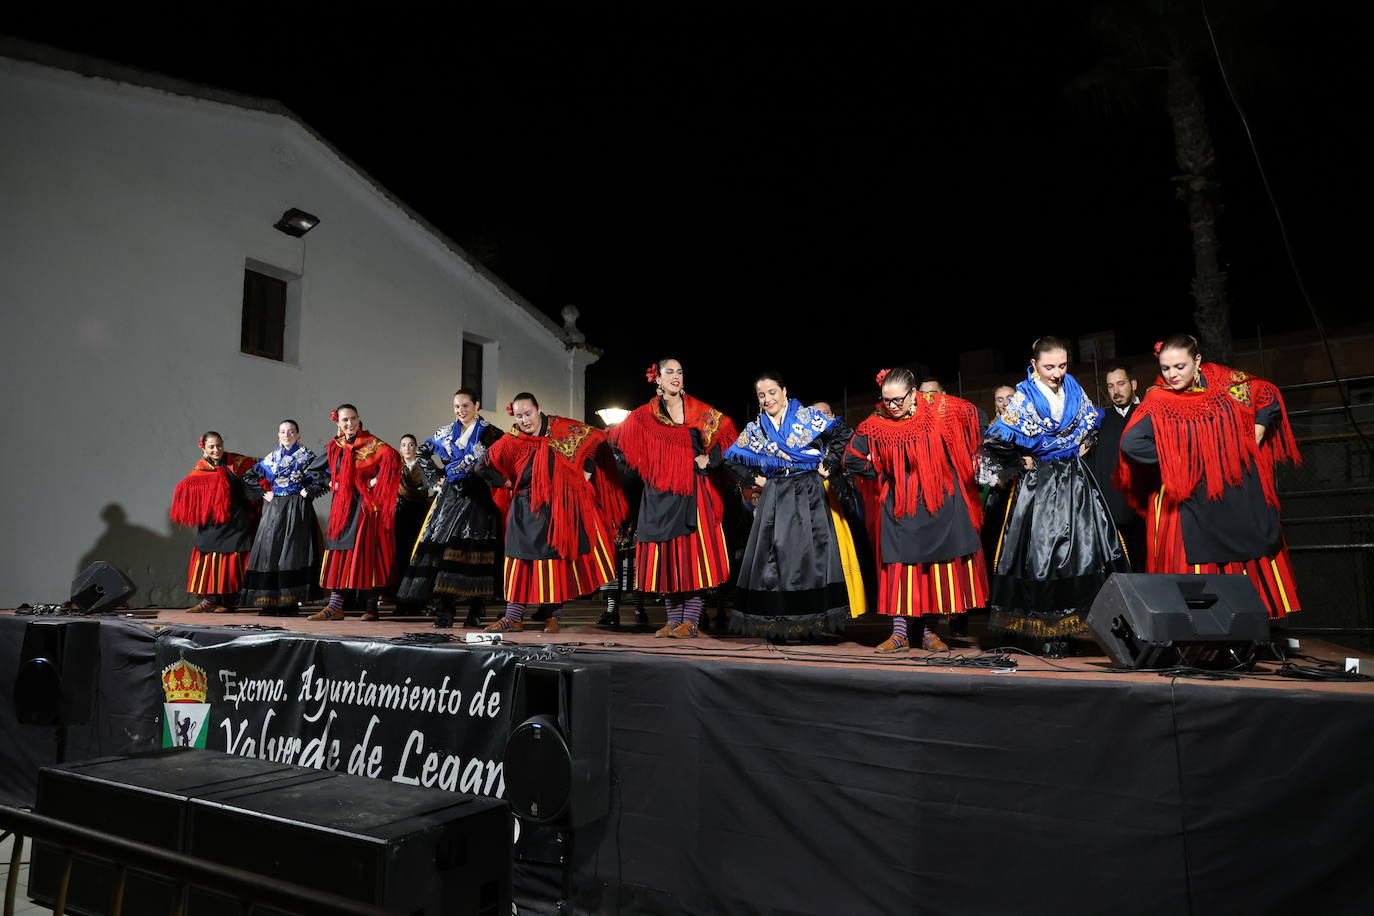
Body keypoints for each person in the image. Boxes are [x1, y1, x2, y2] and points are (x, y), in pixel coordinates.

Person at [1116, 334, 1302, 618]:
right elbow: (1131, 442)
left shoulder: (1226, 382)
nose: (1172, 375)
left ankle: (1251, 619)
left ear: (1198, 361)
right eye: (1166, 368)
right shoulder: (1159, 398)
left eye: (1180, 366)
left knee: (1252, 541)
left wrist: (1258, 430)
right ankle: (1203, 622)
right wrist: (1179, 459)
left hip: (1236, 492)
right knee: (1201, 554)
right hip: (1196, 497)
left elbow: (1266, 395)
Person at [979, 337, 1128, 656]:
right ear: (1034, 365)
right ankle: (1049, 630)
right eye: (1049, 367)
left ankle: (1078, 624)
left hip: (1076, 482)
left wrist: (1085, 442)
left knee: (1083, 550)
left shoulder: (1073, 386)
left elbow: (1091, 422)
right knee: (1045, 555)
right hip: (1043, 486)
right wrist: (1022, 461)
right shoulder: (1025, 396)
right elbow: (995, 439)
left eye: (1062, 365)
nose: (1057, 373)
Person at [846, 368, 989, 652]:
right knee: (900, 566)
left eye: (899, 399)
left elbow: (977, 418)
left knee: (933, 567)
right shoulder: (876, 422)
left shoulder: (939, 407)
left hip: (940, 500)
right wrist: (886, 473)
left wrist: (958, 454)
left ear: (914, 394)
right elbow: (852, 458)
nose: (893, 406)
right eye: (887, 400)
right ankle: (899, 634)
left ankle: (930, 632)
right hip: (901, 503)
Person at [608, 359, 738, 638]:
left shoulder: (700, 411)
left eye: (680, 372)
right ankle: (673, 620)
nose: (676, 376)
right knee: (667, 557)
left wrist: (709, 459)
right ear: (657, 378)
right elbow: (616, 438)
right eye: (670, 372)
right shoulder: (644, 415)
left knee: (691, 556)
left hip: (693, 491)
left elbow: (728, 435)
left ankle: (691, 621)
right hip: (659, 494)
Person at [480, 392, 626, 633]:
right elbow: (482, 465)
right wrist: (504, 482)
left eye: (528, 413)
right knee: (518, 562)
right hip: (523, 508)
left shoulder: (562, 429)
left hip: (555, 508)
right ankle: (513, 617)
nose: (525, 420)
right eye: (519, 415)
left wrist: (586, 473)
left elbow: (594, 439)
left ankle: (553, 616)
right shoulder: (512, 439)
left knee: (554, 563)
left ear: (538, 410)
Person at [723, 371, 853, 640]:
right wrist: (753, 478)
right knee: (775, 555)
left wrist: (828, 465)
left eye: (772, 392)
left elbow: (842, 432)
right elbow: (730, 458)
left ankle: (809, 622)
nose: (768, 398)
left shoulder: (807, 418)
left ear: (784, 392)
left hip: (808, 490)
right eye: (762, 395)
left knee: (810, 556)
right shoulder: (757, 429)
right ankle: (777, 621)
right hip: (776, 493)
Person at [396, 389, 504, 628]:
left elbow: (504, 457)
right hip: (450, 496)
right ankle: (445, 608)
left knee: (474, 551)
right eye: (457, 406)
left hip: (478, 496)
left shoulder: (491, 432)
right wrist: (435, 477)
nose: (461, 411)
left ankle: (476, 608)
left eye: (465, 405)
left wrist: (495, 479)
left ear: (476, 405)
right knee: (443, 550)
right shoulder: (445, 432)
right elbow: (422, 451)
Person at [309, 404, 401, 622]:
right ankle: (335, 606)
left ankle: (371, 607)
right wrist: (333, 482)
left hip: (364, 506)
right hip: (342, 507)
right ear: (338, 422)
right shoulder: (334, 446)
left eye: (353, 419)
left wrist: (373, 482)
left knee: (366, 552)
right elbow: (314, 470)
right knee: (339, 552)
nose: (349, 424)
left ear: (359, 419)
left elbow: (393, 461)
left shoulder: (372, 444)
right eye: (345, 420)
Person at [170, 431, 261, 613]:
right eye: (211, 446)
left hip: (236, 521)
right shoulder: (201, 468)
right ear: (203, 448)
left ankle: (228, 602)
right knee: (209, 558)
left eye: (219, 445)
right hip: (212, 523)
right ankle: (210, 600)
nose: (216, 450)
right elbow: (185, 489)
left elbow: (257, 479)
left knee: (232, 563)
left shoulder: (237, 463)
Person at [240, 420, 319, 614]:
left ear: (298, 434)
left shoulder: (307, 456)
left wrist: (308, 490)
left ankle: (289, 602)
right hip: (274, 507)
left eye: (291, 432)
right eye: (283, 432)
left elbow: (323, 475)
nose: (287, 435)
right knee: (269, 551)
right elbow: (248, 477)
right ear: (278, 435)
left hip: (296, 507)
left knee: (291, 553)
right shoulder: (272, 457)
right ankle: (268, 601)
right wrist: (262, 492)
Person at [1085, 365, 1144, 568]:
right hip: (1112, 512)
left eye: (1121, 384)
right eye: (1110, 386)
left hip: (1144, 511)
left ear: (1133, 384)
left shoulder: (1147, 415)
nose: (1116, 391)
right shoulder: (1100, 421)